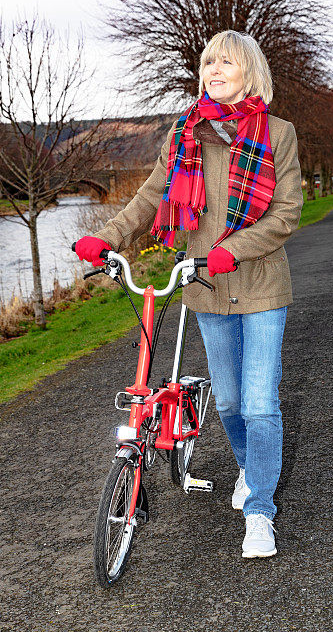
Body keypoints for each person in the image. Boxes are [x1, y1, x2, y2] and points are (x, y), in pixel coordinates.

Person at [75, 30, 303, 558]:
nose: (213, 70)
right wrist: (105, 238)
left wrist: (234, 249)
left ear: (251, 71)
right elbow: (152, 195)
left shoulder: (279, 132)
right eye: (207, 63)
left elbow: (287, 212)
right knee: (228, 401)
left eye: (225, 62)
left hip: (262, 284)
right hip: (204, 288)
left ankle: (260, 511)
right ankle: (250, 467)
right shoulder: (185, 133)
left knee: (261, 403)